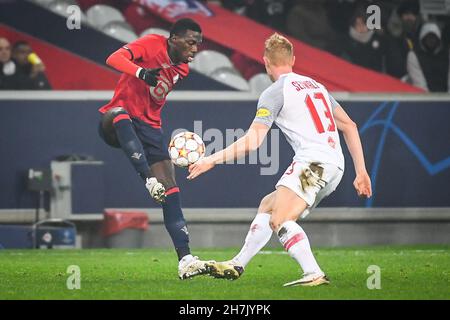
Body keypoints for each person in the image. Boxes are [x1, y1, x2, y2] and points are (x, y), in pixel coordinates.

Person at [188, 33, 372, 287]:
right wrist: (361, 171)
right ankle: (238, 263)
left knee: (281, 220)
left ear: (265, 62)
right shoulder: (317, 87)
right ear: (293, 60)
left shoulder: (274, 93)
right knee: (268, 205)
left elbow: (253, 141)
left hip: (313, 163)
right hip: (335, 165)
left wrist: (212, 159)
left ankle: (313, 273)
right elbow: (350, 126)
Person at [98, 18, 211, 279]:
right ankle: (148, 180)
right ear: (174, 39)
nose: (195, 49)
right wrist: (140, 72)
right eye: (191, 42)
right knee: (120, 114)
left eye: (198, 44)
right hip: (116, 119)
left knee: (171, 189)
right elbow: (113, 58)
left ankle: (186, 259)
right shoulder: (151, 43)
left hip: (150, 127)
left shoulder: (182, 68)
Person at [406, 22, 450, 92]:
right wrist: (429, 101)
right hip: (425, 99)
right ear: (422, 39)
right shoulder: (414, 56)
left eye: (434, 38)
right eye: (428, 38)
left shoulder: (447, 54)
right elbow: (419, 84)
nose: (431, 41)